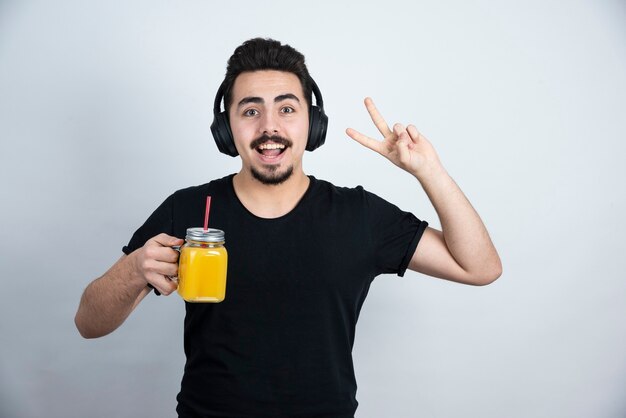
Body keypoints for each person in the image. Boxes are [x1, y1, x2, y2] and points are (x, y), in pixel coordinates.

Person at [75, 38, 501, 418]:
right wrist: (133, 269)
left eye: (286, 108)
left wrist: (430, 173)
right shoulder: (190, 209)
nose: (269, 127)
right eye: (251, 111)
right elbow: (88, 323)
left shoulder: (359, 214)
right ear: (227, 129)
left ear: (311, 123)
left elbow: (480, 268)